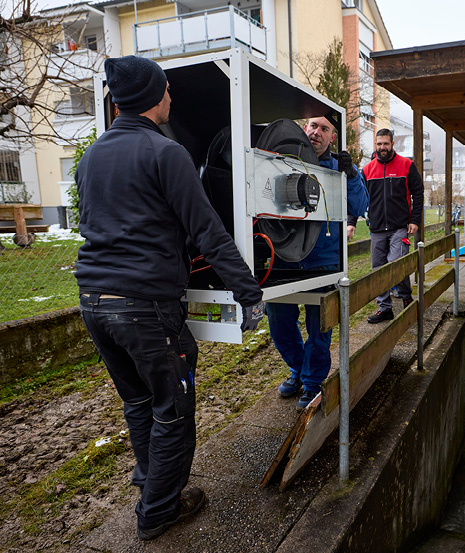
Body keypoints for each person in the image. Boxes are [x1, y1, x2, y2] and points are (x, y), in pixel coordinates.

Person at [75, 56, 264, 541]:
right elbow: (207, 230)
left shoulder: (93, 155)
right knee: (173, 408)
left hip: (94, 301)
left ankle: (149, 481)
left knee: (140, 402)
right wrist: (248, 293)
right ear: (154, 98)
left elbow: (108, 221)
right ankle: (159, 510)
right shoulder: (167, 152)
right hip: (145, 307)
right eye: (167, 91)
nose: (172, 99)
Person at [267, 115, 369, 409]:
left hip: (323, 261)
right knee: (279, 320)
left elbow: (360, 206)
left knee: (319, 327)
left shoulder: (341, 167)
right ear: (304, 128)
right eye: (313, 126)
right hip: (284, 257)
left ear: (333, 137)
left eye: (325, 128)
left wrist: (350, 175)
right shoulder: (285, 158)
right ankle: (298, 369)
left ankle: (312, 383)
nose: (316, 132)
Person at [361, 128, 424, 323]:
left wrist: (414, 220)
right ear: (376, 145)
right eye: (379, 144)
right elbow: (359, 197)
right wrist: (352, 222)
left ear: (392, 144)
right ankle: (385, 308)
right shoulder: (367, 169)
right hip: (377, 228)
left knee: (396, 264)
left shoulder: (406, 165)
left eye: (385, 144)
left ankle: (405, 297)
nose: (382, 148)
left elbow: (418, 194)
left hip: (399, 227)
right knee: (378, 269)